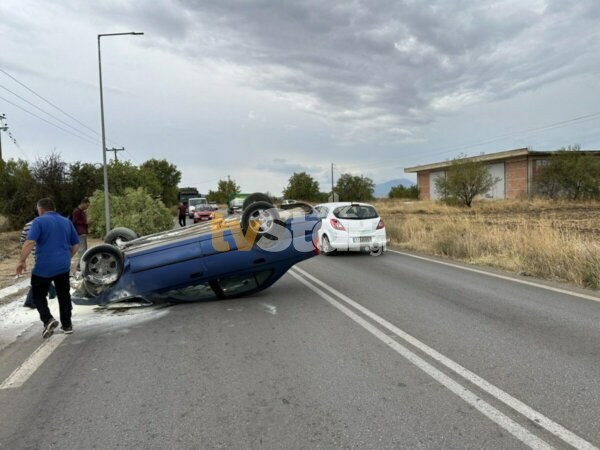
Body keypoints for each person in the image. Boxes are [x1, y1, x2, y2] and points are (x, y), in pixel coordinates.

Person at [16, 198, 80, 338]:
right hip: (63, 266)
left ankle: (48, 319)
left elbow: (30, 242)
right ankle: (67, 325)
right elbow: (76, 245)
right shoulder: (66, 221)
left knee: (38, 295)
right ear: (54, 208)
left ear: (40, 209)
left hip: (43, 266)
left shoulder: (38, 221)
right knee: (64, 294)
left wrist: (21, 261)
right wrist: (66, 257)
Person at [20, 213, 56, 308]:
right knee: (41, 278)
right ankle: (30, 300)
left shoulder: (28, 225)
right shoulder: (50, 223)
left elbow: (23, 241)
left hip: (36, 254)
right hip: (49, 253)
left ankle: (53, 292)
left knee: (44, 276)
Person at [71, 197, 92, 270]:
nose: (87, 207)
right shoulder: (77, 211)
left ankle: (81, 264)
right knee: (82, 249)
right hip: (79, 233)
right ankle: (80, 265)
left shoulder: (82, 211)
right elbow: (74, 222)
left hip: (82, 232)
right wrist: (85, 222)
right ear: (83, 203)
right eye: (87, 205)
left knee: (84, 249)